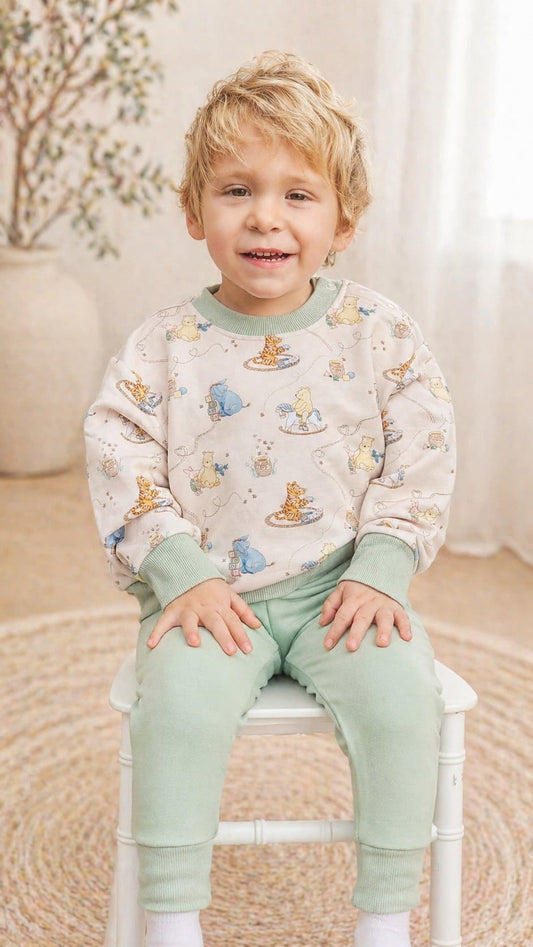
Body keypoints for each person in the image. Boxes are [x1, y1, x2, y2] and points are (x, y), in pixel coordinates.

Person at [85, 50, 455, 947]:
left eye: (299, 194)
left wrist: (381, 569)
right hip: (212, 596)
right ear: (192, 211)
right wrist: (178, 573)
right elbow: (118, 449)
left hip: (344, 589)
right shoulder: (164, 344)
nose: (265, 217)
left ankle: (383, 917)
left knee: (406, 701)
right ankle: (172, 916)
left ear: (344, 218)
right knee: (173, 705)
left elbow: (423, 451)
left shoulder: (379, 333)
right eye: (236, 189)